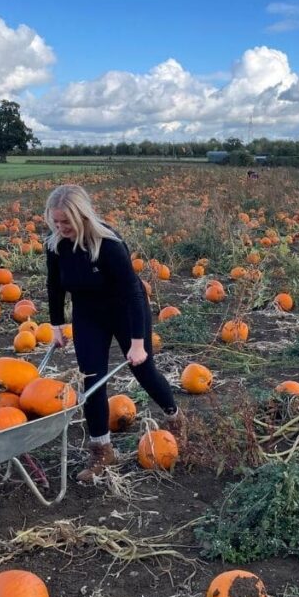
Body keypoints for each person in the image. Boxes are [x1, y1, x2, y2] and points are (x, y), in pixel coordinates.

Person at [45, 184, 186, 482]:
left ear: (82, 216)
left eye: (66, 221)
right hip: (88, 316)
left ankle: (175, 418)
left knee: (144, 371)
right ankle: (102, 450)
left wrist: (137, 343)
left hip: (125, 311)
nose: (60, 227)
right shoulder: (55, 246)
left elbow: (133, 293)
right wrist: (56, 324)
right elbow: (54, 286)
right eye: (55, 222)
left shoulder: (108, 244)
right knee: (91, 380)